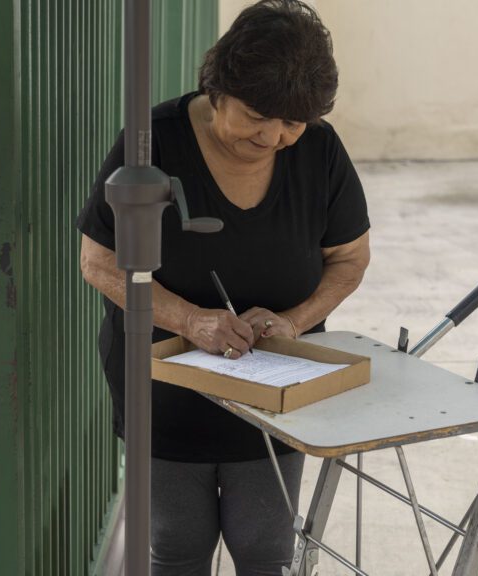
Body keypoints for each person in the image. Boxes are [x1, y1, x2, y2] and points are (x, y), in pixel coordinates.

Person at [77, 1, 370, 574]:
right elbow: (99, 261)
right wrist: (191, 321)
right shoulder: (151, 143)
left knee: (265, 546)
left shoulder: (319, 148)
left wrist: (295, 322)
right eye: (259, 115)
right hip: (163, 381)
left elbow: (350, 258)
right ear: (219, 87)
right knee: (176, 542)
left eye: (292, 122)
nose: (275, 136)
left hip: (274, 385)